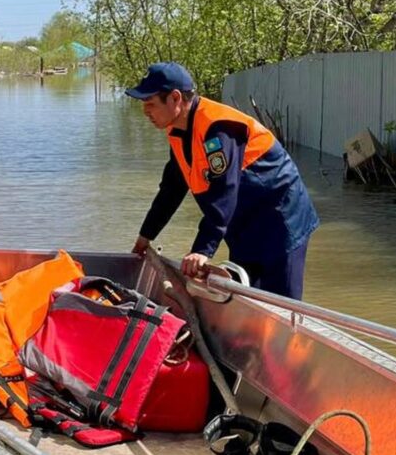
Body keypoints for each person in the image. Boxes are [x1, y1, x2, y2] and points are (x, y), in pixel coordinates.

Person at [126, 62, 319, 299]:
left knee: (283, 304)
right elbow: (172, 190)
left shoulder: (218, 128)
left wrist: (201, 250)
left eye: (150, 103)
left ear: (175, 98)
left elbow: (223, 190)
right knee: (249, 297)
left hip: (281, 219)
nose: (145, 111)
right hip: (243, 222)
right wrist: (146, 236)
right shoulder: (178, 130)